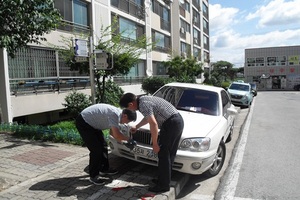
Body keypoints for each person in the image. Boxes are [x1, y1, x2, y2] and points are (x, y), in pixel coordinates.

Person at [119, 93, 184, 193]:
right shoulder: (143, 100)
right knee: (168, 155)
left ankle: (163, 186)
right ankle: (163, 180)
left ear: (131, 104)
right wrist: (137, 126)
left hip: (171, 124)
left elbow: (153, 123)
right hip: (176, 122)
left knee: (163, 154)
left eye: (128, 108)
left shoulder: (143, 104)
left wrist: (155, 144)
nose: (130, 110)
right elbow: (148, 118)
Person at [75, 103, 137, 185]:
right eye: (128, 121)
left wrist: (123, 142)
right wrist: (129, 140)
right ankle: (94, 176)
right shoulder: (114, 115)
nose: (126, 123)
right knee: (96, 150)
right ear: (125, 116)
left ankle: (104, 169)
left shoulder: (119, 115)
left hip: (93, 124)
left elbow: (112, 133)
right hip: (84, 122)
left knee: (103, 145)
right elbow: (116, 134)